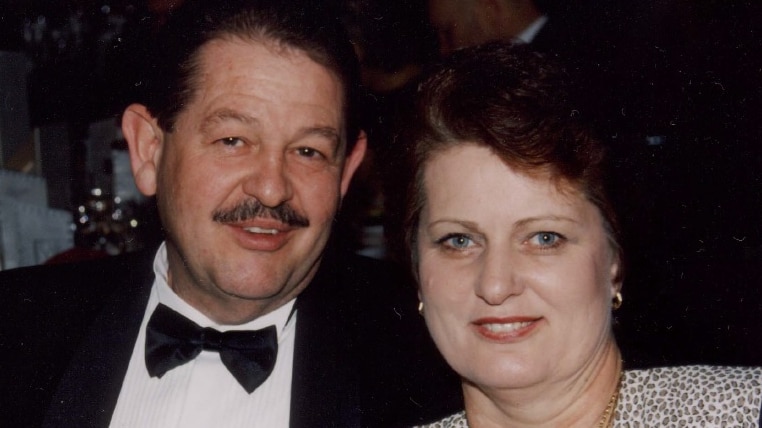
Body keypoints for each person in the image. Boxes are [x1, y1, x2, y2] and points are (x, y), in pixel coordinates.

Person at [0, 1, 461, 427]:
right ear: (148, 150)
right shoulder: (17, 334)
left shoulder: (434, 362)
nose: (271, 188)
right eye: (233, 141)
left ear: (346, 174)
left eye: (308, 151)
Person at [403, 42, 762, 427]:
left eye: (544, 238)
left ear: (614, 259)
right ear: (417, 267)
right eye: (459, 241)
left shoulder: (739, 413)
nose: (495, 285)